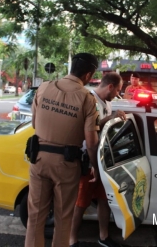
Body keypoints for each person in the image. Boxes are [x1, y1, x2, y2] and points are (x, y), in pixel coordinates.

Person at [25, 53, 100, 247]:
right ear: (88, 75)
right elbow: (91, 142)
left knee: (35, 218)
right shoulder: (87, 99)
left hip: (39, 159)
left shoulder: (44, 87)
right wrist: (94, 167)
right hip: (67, 165)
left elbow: (34, 123)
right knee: (63, 219)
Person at [69, 72, 126, 247]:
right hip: (88, 161)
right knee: (81, 203)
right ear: (110, 86)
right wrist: (109, 119)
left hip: (102, 160)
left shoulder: (106, 103)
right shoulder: (89, 100)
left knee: (104, 198)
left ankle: (104, 236)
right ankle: (71, 240)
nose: (117, 94)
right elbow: (86, 130)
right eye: (117, 90)